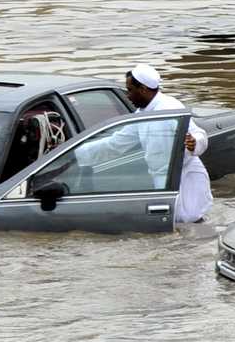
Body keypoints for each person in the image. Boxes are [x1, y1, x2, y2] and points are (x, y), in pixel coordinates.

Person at [75, 64, 212, 223]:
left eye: (130, 90)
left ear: (143, 90)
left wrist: (194, 143)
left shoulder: (170, 107)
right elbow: (116, 143)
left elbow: (198, 134)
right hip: (164, 183)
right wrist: (75, 153)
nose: (127, 96)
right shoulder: (142, 115)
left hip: (185, 181)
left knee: (193, 227)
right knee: (174, 228)